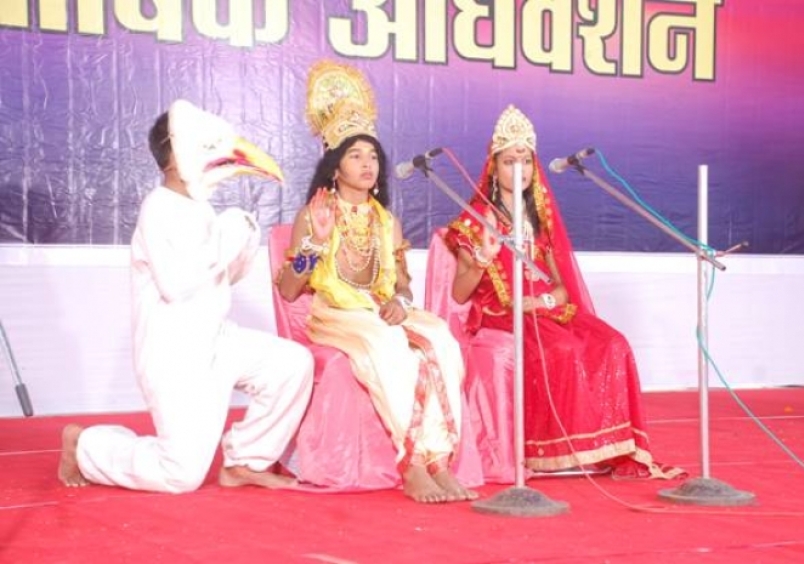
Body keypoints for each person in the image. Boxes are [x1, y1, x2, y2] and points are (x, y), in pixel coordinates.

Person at [58, 100, 314, 493]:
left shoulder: (202, 209)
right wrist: (231, 231)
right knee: (180, 475)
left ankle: (245, 461)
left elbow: (227, 276)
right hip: (174, 352)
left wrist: (243, 237)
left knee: (291, 364)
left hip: (218, 338)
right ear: (176, 158)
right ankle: (87, 446)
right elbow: (176, 283)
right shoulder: (158, 208)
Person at [445, 104, 682, 479]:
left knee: (614, 343)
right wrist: (480, 261)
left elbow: (561, 288)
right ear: (493, 168)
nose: (519, 169)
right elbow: (459, 295)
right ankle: (553, 453)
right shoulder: (475, 221)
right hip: (503, 315)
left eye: (526, 160)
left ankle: (600, 449)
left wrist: (542, 300)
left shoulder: (540, 219)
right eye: (509, 161)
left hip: (546, 311)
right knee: (562, 349)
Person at [277, 60, 476, 503]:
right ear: (335, 166)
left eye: (372, 155)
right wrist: (316, 241)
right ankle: (413, 463)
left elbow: (402, 286)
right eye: (355, 155)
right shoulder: (315, 214)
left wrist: (402, 303)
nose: (367, 163)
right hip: (337, 315)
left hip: (381, 310)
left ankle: (440, 459)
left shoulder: (387, 221)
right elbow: (289, 290)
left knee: (442, 339)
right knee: (388, 344)